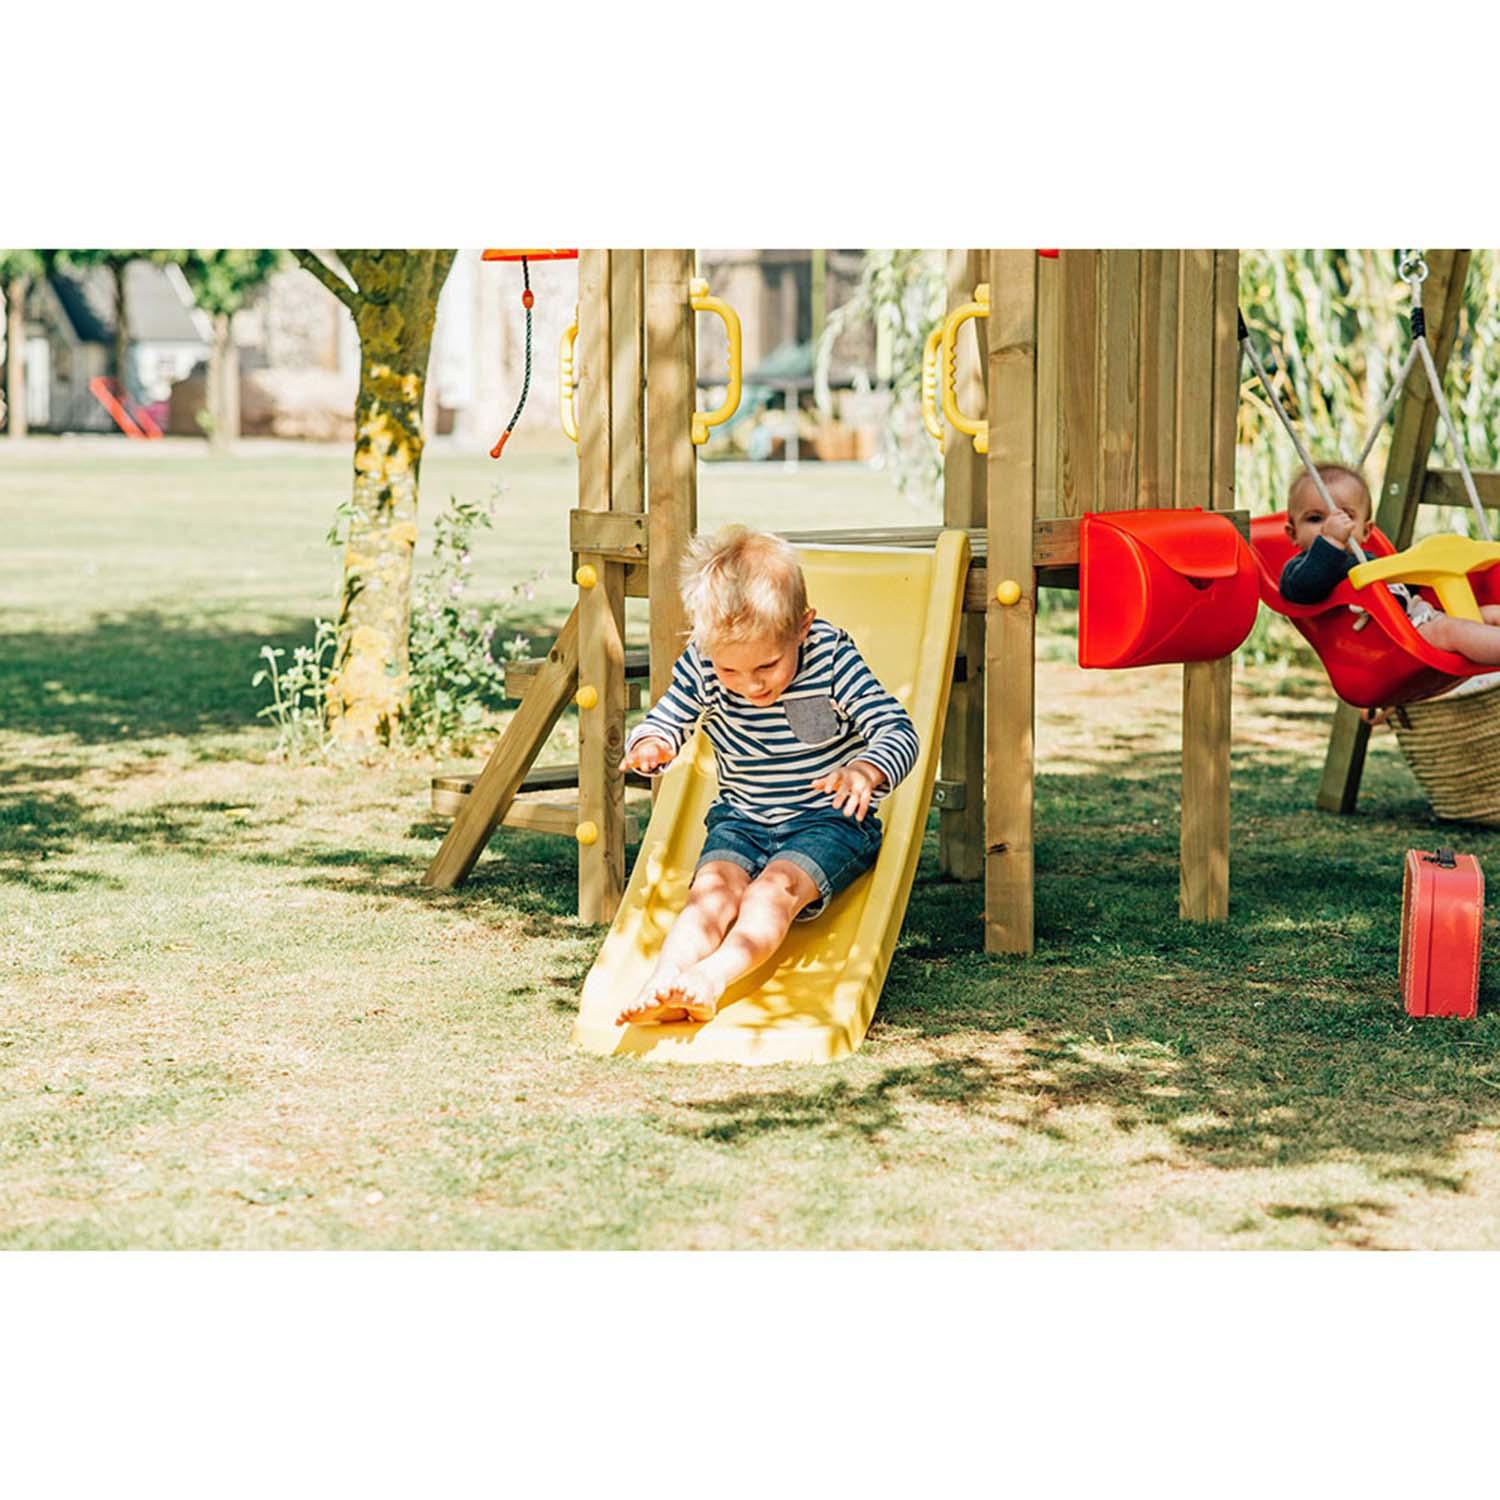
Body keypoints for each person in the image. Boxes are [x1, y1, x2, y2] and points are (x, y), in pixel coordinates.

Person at [614, 526, 919, 1027]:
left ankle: (711, 979)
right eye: (730, 672)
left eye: (767, 666)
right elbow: (668, 716)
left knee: (769, 892)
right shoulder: (705, 661)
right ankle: (664, 978)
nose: (750, 685)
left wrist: (866, 769)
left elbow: (897, 729)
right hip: (741, 819)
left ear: (802, 627)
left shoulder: (831, 658)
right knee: (710, 894)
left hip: (828, 821)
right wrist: (653, 743)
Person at [1279, 462, 1500, 662]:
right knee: (1453, 631)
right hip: (1392, 643)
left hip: (1419, 618)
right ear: (1293, 533)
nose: (1332, 525)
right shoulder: (1299, 568)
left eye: (1345, 517)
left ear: (1366, 531)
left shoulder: (1369, 560)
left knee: (1489, 614)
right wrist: (1330, 542)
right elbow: (1303, 590)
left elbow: (1408, 587)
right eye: (1315, 518)